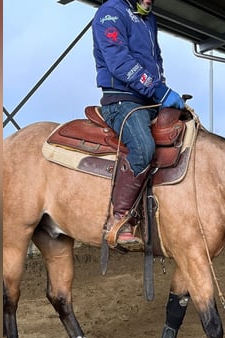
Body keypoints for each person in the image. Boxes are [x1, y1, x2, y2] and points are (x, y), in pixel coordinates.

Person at [92, 0, 185, 249]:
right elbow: (119, 61)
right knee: (143, 147)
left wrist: (161, 88)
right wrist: (158, 90)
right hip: (121, 100)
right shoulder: (111, 13)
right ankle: (120, 218)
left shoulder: (148, 17)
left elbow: (156, 59)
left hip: (148, 98)